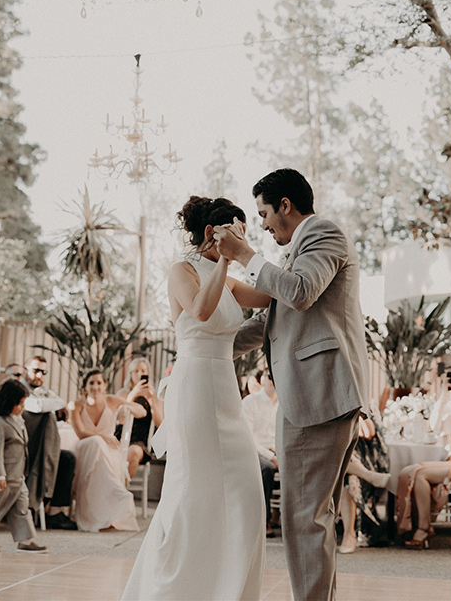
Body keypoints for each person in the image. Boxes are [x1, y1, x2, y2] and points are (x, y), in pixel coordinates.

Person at [213, 168, 370, 601]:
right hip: (317, 394)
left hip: (318, 394)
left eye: (265, 212)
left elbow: (299, 292)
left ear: (286, 206)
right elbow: (273, 318)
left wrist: (244, 255)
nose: (262, 224)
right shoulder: (293, 253)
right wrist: (210, 348)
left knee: (303, 518)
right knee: (311, 517)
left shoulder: (323, 233)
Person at [122, 196, 271, 601]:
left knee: (245, 489)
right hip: (194, 386)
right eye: (236, 232)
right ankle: (175, 588)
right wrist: (226, 261)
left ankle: (229, 588)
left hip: (225, 384)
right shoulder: (182, 271)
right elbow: (202, 311)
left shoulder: (230, 278)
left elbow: (271, 299)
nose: (242, 239)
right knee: (194, 490)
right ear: (212, 233)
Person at [397, 364, 451, 549]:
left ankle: (423, 529)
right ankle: (424, 528)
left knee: (419, 473)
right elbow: (432, 425)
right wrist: (443, 395)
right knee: (411, 473)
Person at [70, 368, 145, 532]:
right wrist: (104, 437)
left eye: (99, 383)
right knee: (96, 442)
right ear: (85, 387)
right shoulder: (75, 405)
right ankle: (115, 490)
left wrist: (127, 407)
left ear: (104, 386)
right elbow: (81, 433)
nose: (95, 387)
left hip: (108, 451)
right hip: (84, 449)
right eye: (91, 383)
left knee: (102, 450)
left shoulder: (111, 400)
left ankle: (105, 513)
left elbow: (142, 411)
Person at [20, 355, 77, 530]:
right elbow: (36, 406)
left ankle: (53, 511)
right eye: (35, 370)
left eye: (44, 372)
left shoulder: (42, 391)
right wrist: (57, 403)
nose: (39, 375)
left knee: (67, 459)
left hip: (39, 446)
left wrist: (55, 402)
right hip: (19, 448)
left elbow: (55, 401)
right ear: (26, 370)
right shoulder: (18, 388)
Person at [0, 379, 48, 553]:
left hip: (18, 474)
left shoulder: (18, 420)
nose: (22, 407)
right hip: (6, 475)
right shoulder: (0, 423)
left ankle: (25, 539)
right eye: (19, 403)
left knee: (21, 506)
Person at [339, 415, 390, 553]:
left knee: (350, 479)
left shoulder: (364, 407)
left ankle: (349, 534)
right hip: (326, 461)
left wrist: (355, 415)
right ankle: (370, 477)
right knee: (337, 457)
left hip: (360, 461)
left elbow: (368, 433)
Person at [242, 369, 279, 537]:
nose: (272, 381)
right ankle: (263, 521)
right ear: (262, 380)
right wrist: (272, 457)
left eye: (274, 377)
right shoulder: (251, 402)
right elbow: (248, 438)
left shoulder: (285, 404)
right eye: (269, 376)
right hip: (254, 451)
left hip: (278, 451)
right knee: (267, 469)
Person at [115, 356, 164, 479]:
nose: (139, 374)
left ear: (148, 374)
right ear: (130, 375)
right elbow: (120, 418)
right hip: (119, 437)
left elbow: (160, 425)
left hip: (140, 442)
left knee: (134, 452)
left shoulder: (155, 396)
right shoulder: (123, 394)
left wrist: (151, 400)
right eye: (135, 371)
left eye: (143, 371)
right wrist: (132, 396)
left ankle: (121, 489)